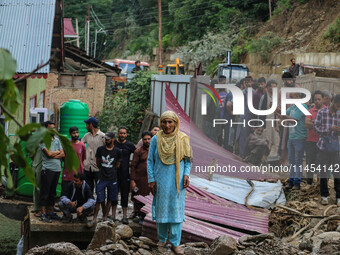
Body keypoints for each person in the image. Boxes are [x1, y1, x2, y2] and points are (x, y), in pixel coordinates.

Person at [147, 111, 192, 255]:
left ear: (175, 123)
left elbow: (188, 160)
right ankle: (161, 239)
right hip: (160, 180)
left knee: (176, 209)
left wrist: (186, 174)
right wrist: (151, 179)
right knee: (162, 209)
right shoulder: (156, 139)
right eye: (164, 122)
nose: (167, 125)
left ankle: (175, 243)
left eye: (170, 122)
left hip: (177, 181)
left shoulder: (183, 138)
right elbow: (150, 161)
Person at [276, 93, 308, 190]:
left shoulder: (302, 106)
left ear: (298, 97)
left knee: (298, 160)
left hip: (299, 138)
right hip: (292, 137)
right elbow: (283, 116)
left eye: (293, 97)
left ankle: (297, 182)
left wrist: (282, 114)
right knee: (292, 160)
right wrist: (275, 110)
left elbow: (294, 120)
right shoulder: (293, 107)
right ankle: (291, 180)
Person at [88, 132, 121, 227]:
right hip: (102, 177)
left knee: (110, 198)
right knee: (99, 198)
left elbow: (118, 164)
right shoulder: (100, 150)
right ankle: (94, 218)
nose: (106, 140)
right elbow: (98, 162)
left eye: (108, 139)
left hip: (112, 178)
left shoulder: (117, 151)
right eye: (105, 139)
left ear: (113, 139)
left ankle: (105, 216)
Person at [314, 94, 340, 206]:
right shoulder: (322, 112)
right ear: (333, 102)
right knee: (324, 172)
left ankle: (338, 197)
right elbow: (316, 128)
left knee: (337, 172)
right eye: (337, 105)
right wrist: (330, 128)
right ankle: (324, 196)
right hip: (323, 147)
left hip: (335, 147)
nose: (338, 108)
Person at [39, 121, 64, 223]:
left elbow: (63, 154)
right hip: (47, 170)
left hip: (57, 170)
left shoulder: (57, 140)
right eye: (50, 128)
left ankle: (51, 212)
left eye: (54, 128)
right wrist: (57, 152)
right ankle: (43, 214)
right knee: (45, 192)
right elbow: (48, 154)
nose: (53, 130)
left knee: (52, 193)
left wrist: (54, 153)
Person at [113, 127, 136, 224]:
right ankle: (113, 215)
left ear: (126, 135)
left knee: (125, 195)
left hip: (125, 174)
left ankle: (125, 216)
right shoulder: (113, 143)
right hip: (114, 173)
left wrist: (132, 163)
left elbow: (137, 154)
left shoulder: (129, 145)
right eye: (121, 133)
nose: (122, 135)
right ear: (118, 134)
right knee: (113, 194)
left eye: (124, 133)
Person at [130, 131, 152, 221]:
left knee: (150, 198)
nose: (147, 141)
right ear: (142, 140)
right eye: (145, 139)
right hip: (140, 179)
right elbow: (133, 166)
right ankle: (141, 217)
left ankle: (149, 218)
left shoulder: (155, 150)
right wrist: (132, 180)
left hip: (151, 179)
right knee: (139, 197)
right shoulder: (138, 151)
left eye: (148, 139)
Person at [305, 91, 325, 185]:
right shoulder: (310, 111)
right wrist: (319, 123)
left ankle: (319, 185)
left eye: (319, 99)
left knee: (320, 163)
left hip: (322, 142)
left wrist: (313, 122)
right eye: (315, 99)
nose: (317, 101)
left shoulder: (327, 110)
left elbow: (326, 126)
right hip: (310, 141)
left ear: (323, 99)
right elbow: (306, 124)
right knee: (310, 163)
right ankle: (309, 183)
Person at [82, 117, 105, 193]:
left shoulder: (102, 136)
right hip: (87, 167)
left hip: (98, 168)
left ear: (91, 125)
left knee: (100, 189)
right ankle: (89, 204)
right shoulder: (86, 135)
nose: (86, 126)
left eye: (87, 124)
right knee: (88, 189)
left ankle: (98, 204)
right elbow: (80, 145)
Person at [258, 80, 280, 157]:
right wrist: (260, 124)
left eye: (275, 87)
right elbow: (260, 111)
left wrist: (277, 125)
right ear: (268, 87)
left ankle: (270, 157)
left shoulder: (275, 97)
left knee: (274, 141)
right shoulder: (264, 97)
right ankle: (264, 158)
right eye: (272, 87)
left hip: (273, 122)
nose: (273, 89)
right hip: (265, 122)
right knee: (266, 140)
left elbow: (276, 113)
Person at [62, 126, 86, 193]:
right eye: (73, 133)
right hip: (67, 173)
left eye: (77, 133)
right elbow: (63, 157)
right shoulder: (66, 145)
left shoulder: (82, 145)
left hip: (78, 173)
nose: (76, 135)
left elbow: (83, 158)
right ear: (70, 134)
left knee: (78, 192)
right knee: (65, 192)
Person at [32, 122, 48, 216]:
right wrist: (36, 163)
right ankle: (37, 207)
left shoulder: (51, 139)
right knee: (37, 187)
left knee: (46, 187)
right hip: (38, 166)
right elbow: (31, 153)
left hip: (46, 166)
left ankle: (46, 207)